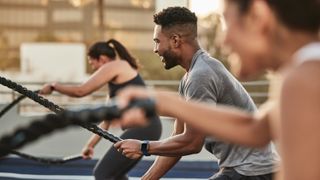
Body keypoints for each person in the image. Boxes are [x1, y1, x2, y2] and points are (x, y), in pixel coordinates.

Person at [114, 0, 320, 180]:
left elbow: (192, 142)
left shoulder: (302, 79)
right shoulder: (305, 69)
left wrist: (144, 146)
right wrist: (163, 102)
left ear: (257, 17)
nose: (224, 40)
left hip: (249, 172)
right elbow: (254, 128)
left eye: (227, 24)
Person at [39, 39, 162, 180]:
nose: (94, 69)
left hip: (144, 128)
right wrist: (90, 145)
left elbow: (81, 91)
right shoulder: (116, 80)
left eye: (93, 63)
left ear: (102, 59)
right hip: (147, 128)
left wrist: (54, 86)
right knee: (115, 175)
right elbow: (106, 121)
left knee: (102, 174)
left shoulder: (116, 65)